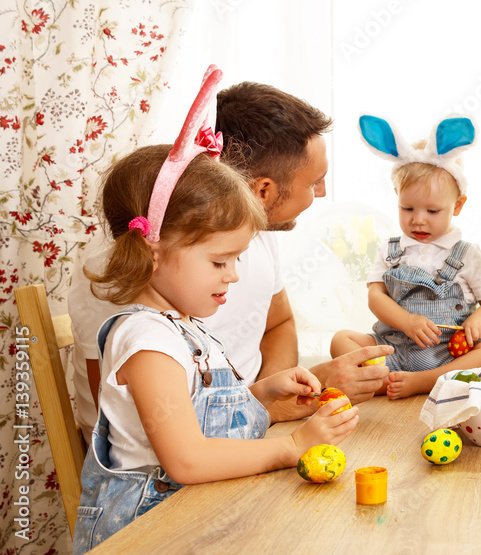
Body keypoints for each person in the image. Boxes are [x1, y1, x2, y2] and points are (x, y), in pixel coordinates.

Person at [73, 70, 358, 552]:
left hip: (200, 508)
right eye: (220, 261)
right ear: (154, 253)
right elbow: (185, 460)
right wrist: (290, 446)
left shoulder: (181, 327)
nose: (234, 275)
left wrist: (264, 393)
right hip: (151, 529)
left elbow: (199, 411)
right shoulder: (147, 342)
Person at [69, 81, 391, 434]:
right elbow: (130, 425)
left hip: (248, 421)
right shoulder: (126, 266)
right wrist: (269, 406)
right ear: (263, 191)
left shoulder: (252, 235)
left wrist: (276, 391)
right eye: (314, 181)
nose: (322, 192)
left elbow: (278, 323)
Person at [330, 115, 481, 399]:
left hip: (447, 355)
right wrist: (407, 321)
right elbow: (375, 297)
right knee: (341, 339)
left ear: (458, 205)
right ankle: (383, 378)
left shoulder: (466, 253)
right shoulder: (391, 250)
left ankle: (426, 381)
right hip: (393, 348)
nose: (419, 221)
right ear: (397, 196)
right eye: (408, 208)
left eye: (432, 211)